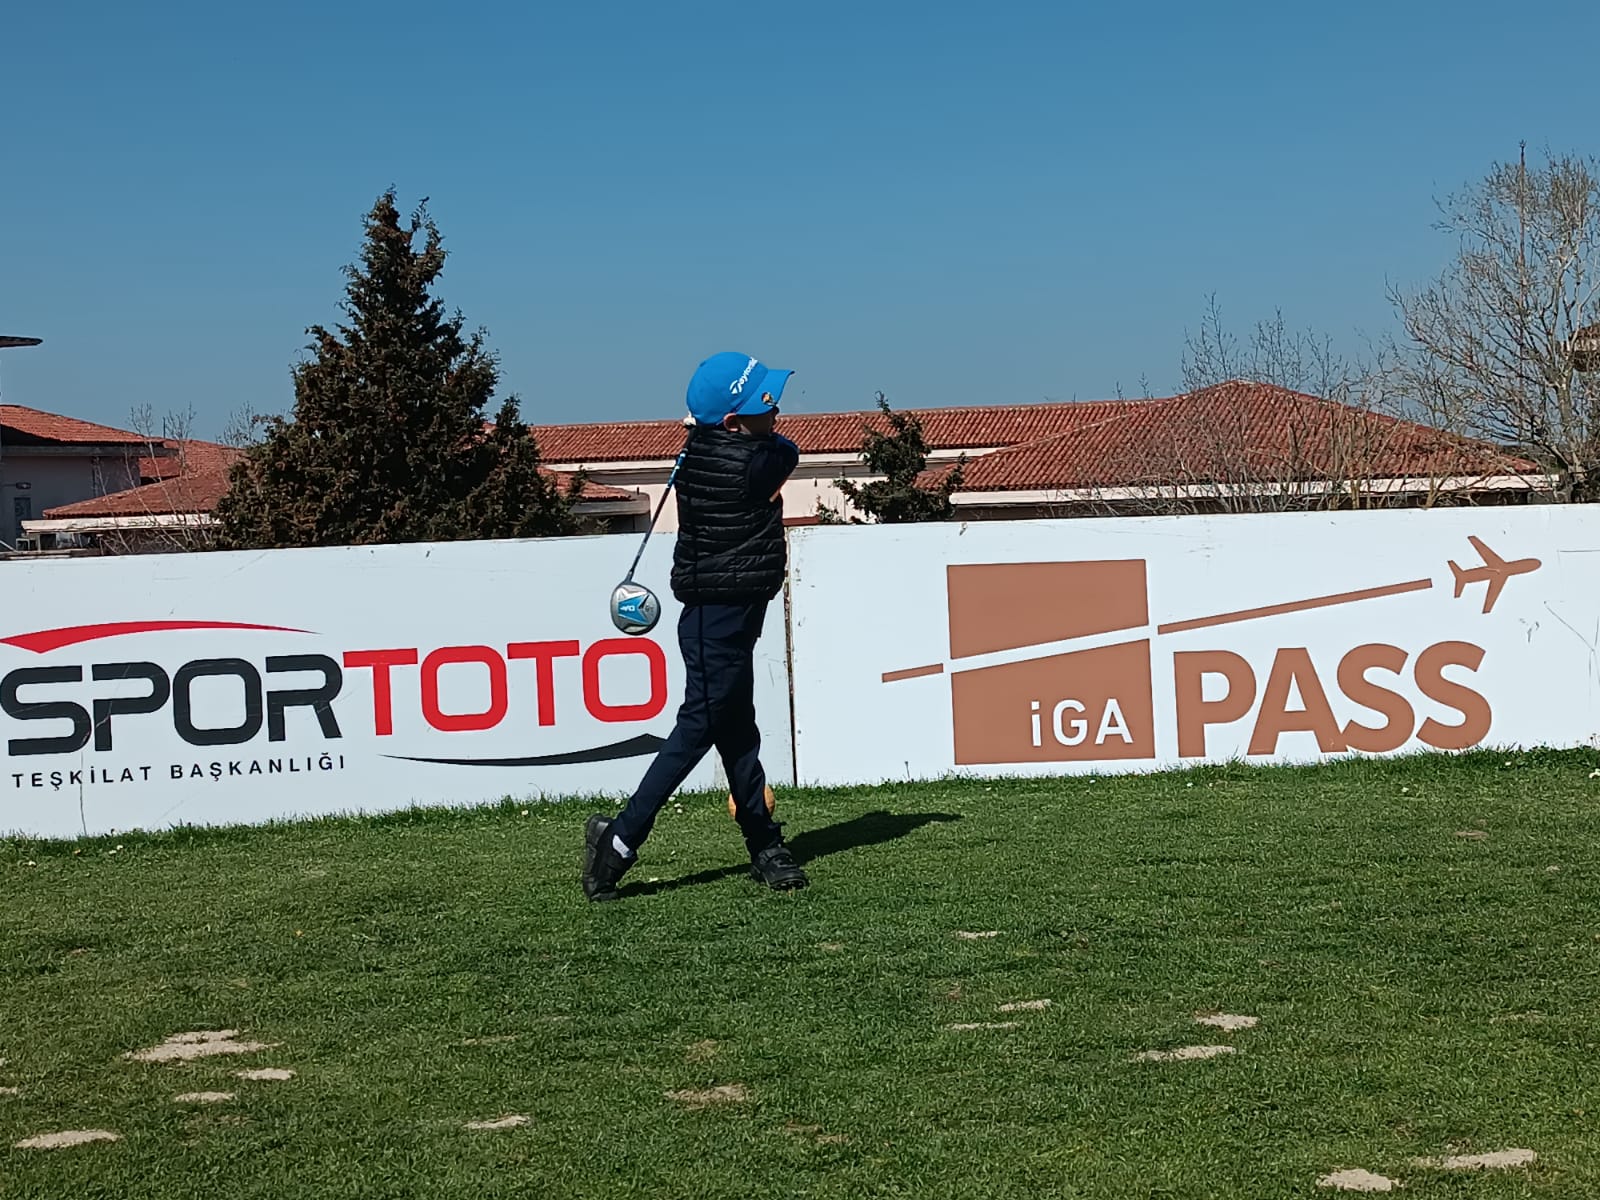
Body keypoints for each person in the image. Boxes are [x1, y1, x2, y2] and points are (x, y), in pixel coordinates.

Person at [581, 352, 808, 902]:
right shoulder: (757, 463)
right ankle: (617, 843)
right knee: (697, 731)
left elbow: (758, 439)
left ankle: (764, 843)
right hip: (718, 620)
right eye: (763, 404)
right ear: (731, 423)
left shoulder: (703, 450)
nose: (775, 412)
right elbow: (789, 450)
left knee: (737, 729)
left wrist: (706, 428)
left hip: (723, 616)